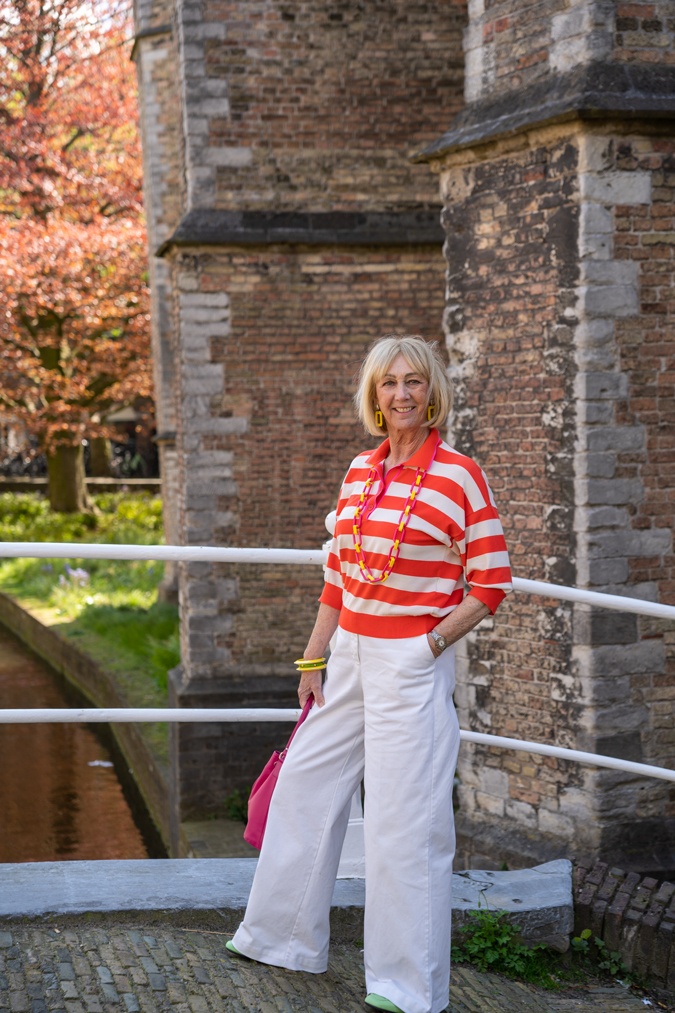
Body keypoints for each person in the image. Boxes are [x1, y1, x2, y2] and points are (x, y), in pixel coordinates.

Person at [227, 334, 512, 1013]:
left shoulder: (459, 475)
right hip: (346, 651)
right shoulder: (359, 470)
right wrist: (312, 656)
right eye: (389, 383)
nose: (401, 394)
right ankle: (281, 937)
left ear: (431, 391)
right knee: (301, 786)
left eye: (414, 381)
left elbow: (492, 580)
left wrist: (428, 643)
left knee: (402, 822)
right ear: (374, 395)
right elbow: (339, 577)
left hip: (408, 662)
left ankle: (405, 984)